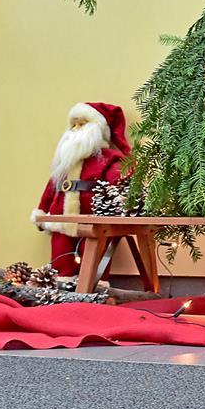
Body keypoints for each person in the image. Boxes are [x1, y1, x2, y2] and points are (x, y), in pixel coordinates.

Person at [31, 102, 130, 277]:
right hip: (60, 221)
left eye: (82, 124)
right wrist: (42, 211)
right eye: (73, 125)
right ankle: (61, 294)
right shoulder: (65, 162)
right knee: (60, 261)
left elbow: (117, 181)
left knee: (92, 263)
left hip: (92, 222)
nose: (75, 129)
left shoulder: (109, 159)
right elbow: (52, 187)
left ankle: (93, 293)